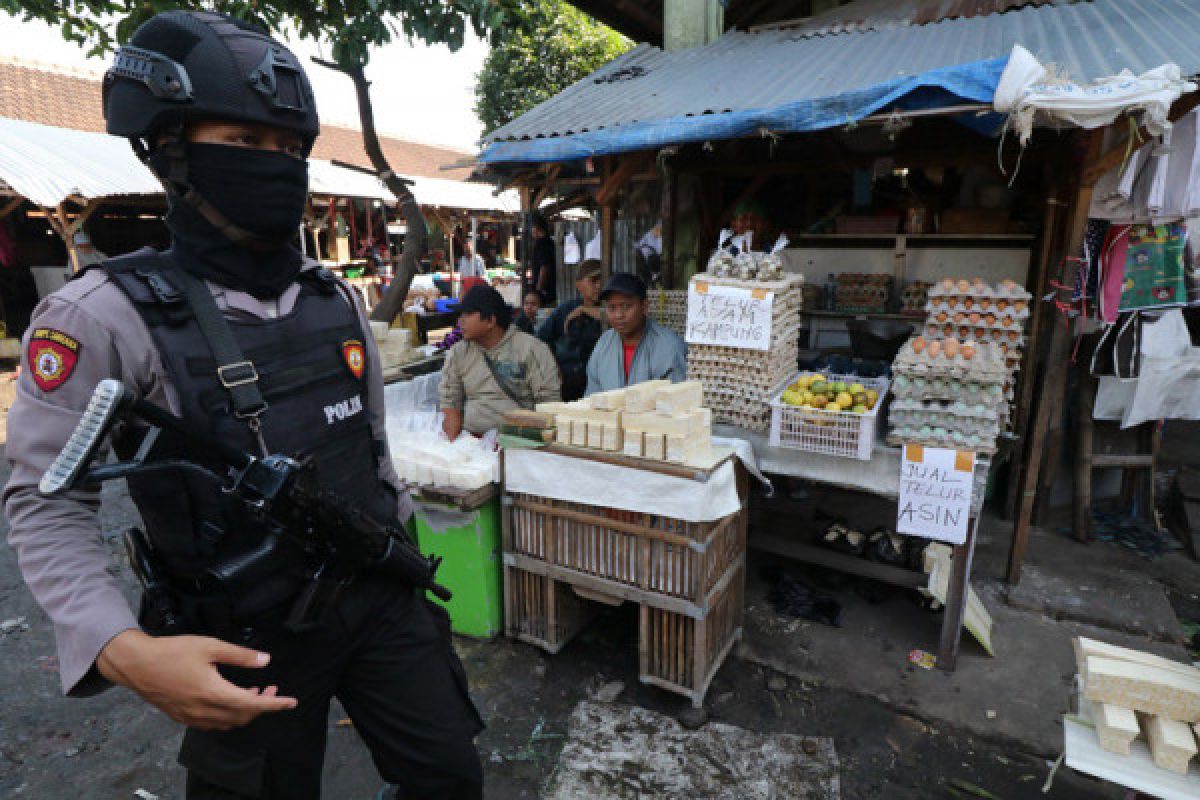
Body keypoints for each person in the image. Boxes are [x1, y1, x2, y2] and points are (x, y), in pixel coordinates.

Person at [3, 11, 483, 799]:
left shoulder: (336, 299)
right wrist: (120, 648)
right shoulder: (102, 316)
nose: (279, 167)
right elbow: (45, 503)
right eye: (246, 143)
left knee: (449, 776)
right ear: (170, 150)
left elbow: (371, 455)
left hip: (380, 595)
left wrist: (401, 554)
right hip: (247, 636)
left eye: (292, 149)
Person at [439, 284, 560, 439]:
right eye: (460, 315)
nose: (460, 321)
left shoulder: (532, 350)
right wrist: (453, 449)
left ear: (490, 320)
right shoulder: (458, 353)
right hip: (473, 444)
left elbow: (549, 405)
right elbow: (450, 404)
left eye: (467, 314)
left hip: (522, 443)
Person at [585, 273, 687, 396]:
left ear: (644, 306)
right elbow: (592, 398)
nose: (618, 315)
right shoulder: (603, 344)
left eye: (626, 306)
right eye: (612, 307)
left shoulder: (669, 347)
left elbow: (676, 405)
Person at [537, 260, 605, 402]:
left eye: (601, 281)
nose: (599, 286)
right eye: (593, 281)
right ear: (578, 284)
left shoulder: (611, 309)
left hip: (598, 386)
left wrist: (584, 310)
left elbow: (613, 318)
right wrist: (554, 367)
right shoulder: (565, 310)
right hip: (567, 383)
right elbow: (541, 339)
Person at [530, 214, 556, 303]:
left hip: (546, 291)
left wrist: (539, 289)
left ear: (536, 228)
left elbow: (545, 267)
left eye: (532, 228)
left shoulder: (542, 244)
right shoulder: (549, 242)